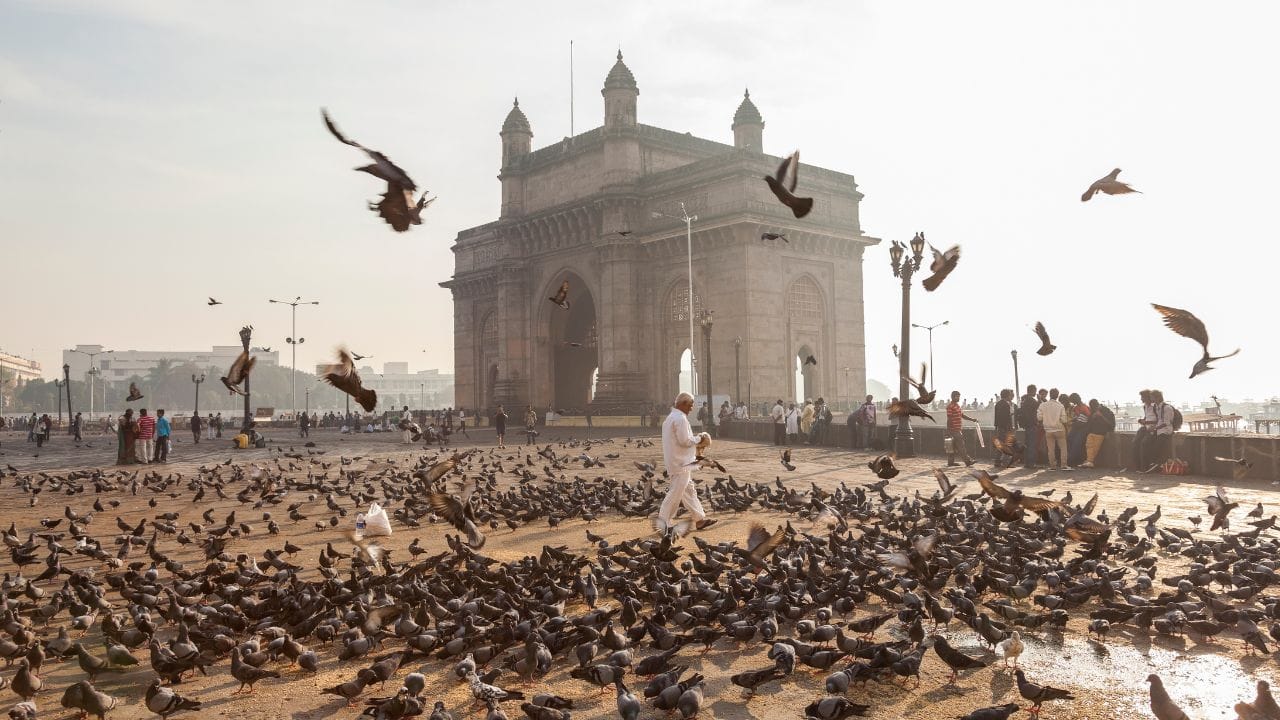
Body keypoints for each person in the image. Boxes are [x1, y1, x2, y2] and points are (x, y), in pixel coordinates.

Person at [657, 392, 716, 533]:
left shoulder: (671, 418)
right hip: (681, 463)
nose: (691, 409)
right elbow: (685, 441)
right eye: (690, 405)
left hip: (676, 461)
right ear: (682, 404)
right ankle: (663, 523)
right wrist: (700, 438)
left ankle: (699, 519)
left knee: (689, 491)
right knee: (675, 494)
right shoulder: (680, 419)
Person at [1143, 390, 1176, 472]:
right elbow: (1159, 420)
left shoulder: (1167, 408)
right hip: (1159, 431)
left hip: (1165, 431)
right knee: (1149, 445)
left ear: (1157, 397)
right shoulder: (1157, 407)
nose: (1151, 399)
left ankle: (1157, 464)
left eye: (1152, 397)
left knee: (1157, 448)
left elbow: (1166, 423)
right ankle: (1154, 464)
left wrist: (1155, 428)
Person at [945, 391, 978, 467]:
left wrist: (972, 419)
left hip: (957, 429)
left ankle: (950, 462)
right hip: (954, 429)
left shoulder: (957, 406)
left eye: (959, 396)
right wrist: (949, 430)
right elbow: (949, 419)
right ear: (952, 397)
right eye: (957, 396)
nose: (958, 398)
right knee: (961, 446)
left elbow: (962, 415)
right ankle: (968, 461)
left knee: (952, 446)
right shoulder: (950, 406)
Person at [1037, 390, 1067, 470]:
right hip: (1059, 429)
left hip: (1048, 430)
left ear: (1049, 395)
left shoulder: (1043, 405)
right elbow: (1064, 420)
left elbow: (1039, 417)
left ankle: (1052, 465)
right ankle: (1063, 465)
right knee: (1063, 448)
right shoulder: (1060, 406)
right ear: (1057, 396)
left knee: (1051, 449)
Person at [1126, 389, 1154, 473]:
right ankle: (1137, 466)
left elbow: (1159, 419)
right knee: (1135, 442)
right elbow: (1147, 417)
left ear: (1147, 397)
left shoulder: (1155, 406)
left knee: (1144, 444)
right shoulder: (1145, 406)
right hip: (1146, 427)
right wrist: (1143, 420)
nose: (1141, 399)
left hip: (1153, 428)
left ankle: (1145, 467)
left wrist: (1147, 422)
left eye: (1142, 397)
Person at [1081, 399, 1115, 468]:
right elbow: (1089, 423)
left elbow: (1111, 424)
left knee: (1095, 447)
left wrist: (1101, 416)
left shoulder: (1107, 411)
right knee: (1089, 446)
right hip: (1092, 432)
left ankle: (1090, 461)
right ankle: (1089, 461)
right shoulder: (1093, 411)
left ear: (1097, 405)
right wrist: (1092, 417)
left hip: (1101, 433)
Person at [993, 389, 1016, 468]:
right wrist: (1010, 428)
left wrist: (996, 426)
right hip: (1005, 428)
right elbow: (1006, 418)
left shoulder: (998, 404)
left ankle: (997, 461)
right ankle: (1005, 462)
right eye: (1010, 395)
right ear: (1007, 395)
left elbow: (996, 417)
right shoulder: (1006, 405)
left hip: (1000, 427)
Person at [1065, 393, 1090, 467]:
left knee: (1076, 443)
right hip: (1076, 426)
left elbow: (1088, 418)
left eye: (1072, 400)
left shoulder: (1085, 407)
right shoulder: (1076, 408)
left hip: (1083, 428)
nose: (1072, 402)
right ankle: (1071, 459)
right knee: (1069, 439)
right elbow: (1078, 417)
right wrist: (1074, 420)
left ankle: (1071, 460)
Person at [1017, 385, 1039, 469]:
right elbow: (1039, 407)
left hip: (1026, 425)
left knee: (1027, 444)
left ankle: (1027, 463)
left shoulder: (1024, 400)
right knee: (1032, 444)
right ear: (1033, 391)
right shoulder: (1032, 401)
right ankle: (1031, 463)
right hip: (1032, 424)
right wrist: (1039, 400)